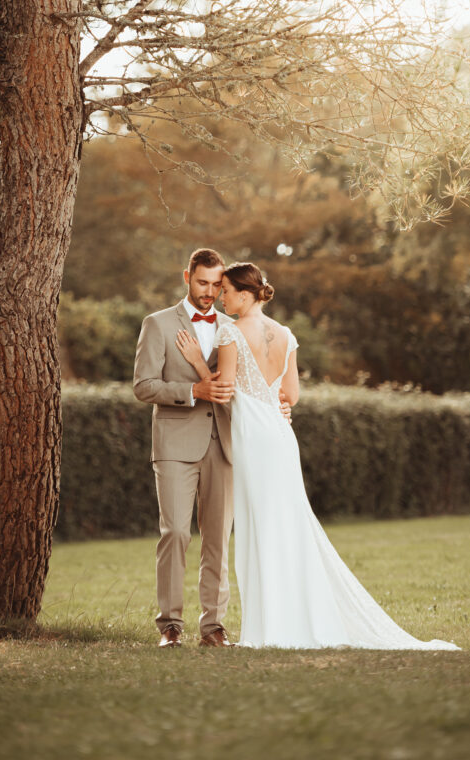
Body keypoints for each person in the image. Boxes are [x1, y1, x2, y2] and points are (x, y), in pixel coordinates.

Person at [176, 261, 460, 651]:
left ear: (244, 294)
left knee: (262, 528)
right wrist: (268, 402)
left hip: (254, 441)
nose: (221, 297)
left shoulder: (229, 332)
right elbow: (290, 397)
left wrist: (195, 361)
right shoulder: (286, 335)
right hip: (279, 437)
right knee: (287, 525)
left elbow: (222, 390)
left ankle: (271, 627)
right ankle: (290, 621)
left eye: (225, 290)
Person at [133, 248, 290, 648]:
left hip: (225, 443)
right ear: (186, 275)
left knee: (218, 537)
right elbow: (143, 386)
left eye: (216, 285)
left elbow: (255, 383)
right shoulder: (158, 324)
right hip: (174, 445)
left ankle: (213, 627)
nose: (209, 292)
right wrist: (192, 390)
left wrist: (279, 406)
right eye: (202, 283)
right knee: (175, 533)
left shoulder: (233, 325)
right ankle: (169, 625)